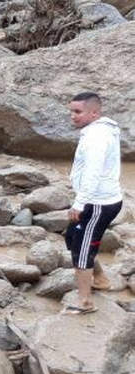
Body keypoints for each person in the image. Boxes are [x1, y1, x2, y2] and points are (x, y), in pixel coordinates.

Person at [63, 92, 123, 315]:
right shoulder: (96, 131)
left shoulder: (97, 137)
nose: (73, 116)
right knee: (72, 237)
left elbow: (93, 173)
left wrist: (79, 204)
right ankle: (100, 279)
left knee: (82, 249)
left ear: (94, 113)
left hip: (98, 203)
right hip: (94, 199)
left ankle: (85, 303)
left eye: (78, 111)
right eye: (71, 111)